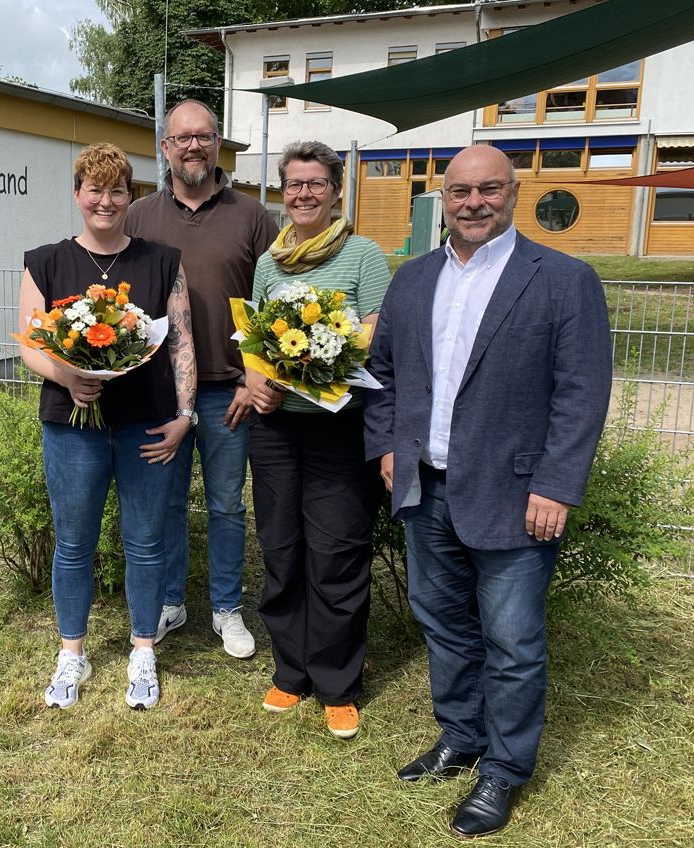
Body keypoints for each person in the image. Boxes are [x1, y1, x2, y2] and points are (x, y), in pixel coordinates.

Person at [363, 144, 612, 835]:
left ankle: (503, 770)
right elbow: (380, 375)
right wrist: (385, 446)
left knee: (511, 640)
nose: (474, 203)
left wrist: (557, 484)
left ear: (513, 192)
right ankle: (461, 736)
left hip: (516, 492)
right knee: (442, 625)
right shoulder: (412, 280)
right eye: (461, 192)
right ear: (444, 198)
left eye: (489, 190)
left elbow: (581, 394)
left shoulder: (563, 280)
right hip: (425, 486)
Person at [18, 142, 197, 711]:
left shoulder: (162, 261)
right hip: (72, 426)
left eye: (117, 190)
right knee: (73, 544)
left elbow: (182, 345)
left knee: (147, 544)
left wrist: (185, 417)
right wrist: (68, 377)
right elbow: (27, 345)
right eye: (94, 189)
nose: (105, 200)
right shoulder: (44, 261)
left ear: (130, 197)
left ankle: (143, 647)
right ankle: (73, 651)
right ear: (77, 195)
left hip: (146, 424)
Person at [246, 141, 391, 740]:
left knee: (335, 555)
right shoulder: (269, 262)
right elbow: (252, 334)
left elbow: (377, 335)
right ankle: (291, 670)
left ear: (336, 191)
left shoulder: (363, 257)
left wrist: (316, 366)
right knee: (281, 549)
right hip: (276, 430)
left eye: (315, 183)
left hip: (338, 428)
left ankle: (336, 682)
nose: (303, 193)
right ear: (282, 190)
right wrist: (259, 380)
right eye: (293, 183)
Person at [125, 99, 278, 659]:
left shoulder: (252, 215)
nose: (194, 146)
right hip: (158, 391)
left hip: (228, 390)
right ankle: (170, 602)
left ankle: (226, 607)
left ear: (218, 144)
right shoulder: (140, 216)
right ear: (165, 147)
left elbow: (274, 303)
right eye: (182, 137)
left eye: (204, 136)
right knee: (162, 503)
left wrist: (252, 376)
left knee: (227, 505)